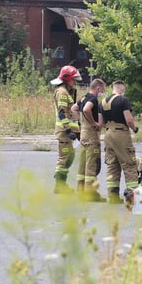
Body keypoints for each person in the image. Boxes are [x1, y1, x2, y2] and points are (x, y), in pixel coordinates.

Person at [100, 80, 139, 203]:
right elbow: (129, 120)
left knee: (112, 165)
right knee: (129, 164)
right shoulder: (123, 100)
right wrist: (135, 128)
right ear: (122, 88)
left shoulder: (102, 102)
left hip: (108, 134)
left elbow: (101, 122)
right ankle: (132, 196)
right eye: (124, 89)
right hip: (121, 134)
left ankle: (113, 197)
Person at [50, 65, 82, 194]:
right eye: (73, 79)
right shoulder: (62, 92)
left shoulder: (68, 91)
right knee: (64, 158)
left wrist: (77, 130)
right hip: (64, 132)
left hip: (70, 131)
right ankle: (59, 185)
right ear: (67, 78)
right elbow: (62, 113)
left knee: (70, 156)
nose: (75, 82)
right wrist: (68, 130)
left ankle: (61, 182)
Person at [75, 78, 106, 201]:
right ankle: (90, 194)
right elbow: (86, 109)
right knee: (91, 164)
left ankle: (80, 190)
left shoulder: (84, 97)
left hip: (83, 133)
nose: (102, 92)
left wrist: (81, 121)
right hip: (91, 135)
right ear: (98, 88)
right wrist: (93, 123)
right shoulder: (92, 99)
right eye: (102, 90)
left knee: (82, 164)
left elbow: (74, 109)